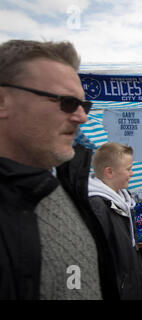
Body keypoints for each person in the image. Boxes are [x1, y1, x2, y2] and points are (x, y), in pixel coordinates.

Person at [0, 40, 119, 299]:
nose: (82, 117)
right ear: (2, 101)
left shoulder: (63, 183)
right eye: (66, 102)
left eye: (83, 105)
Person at [88, 143, 142, 299]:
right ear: (109, 172)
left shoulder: (123, 198)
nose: (132, 173)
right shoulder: (98, 208)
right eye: (129, 168)